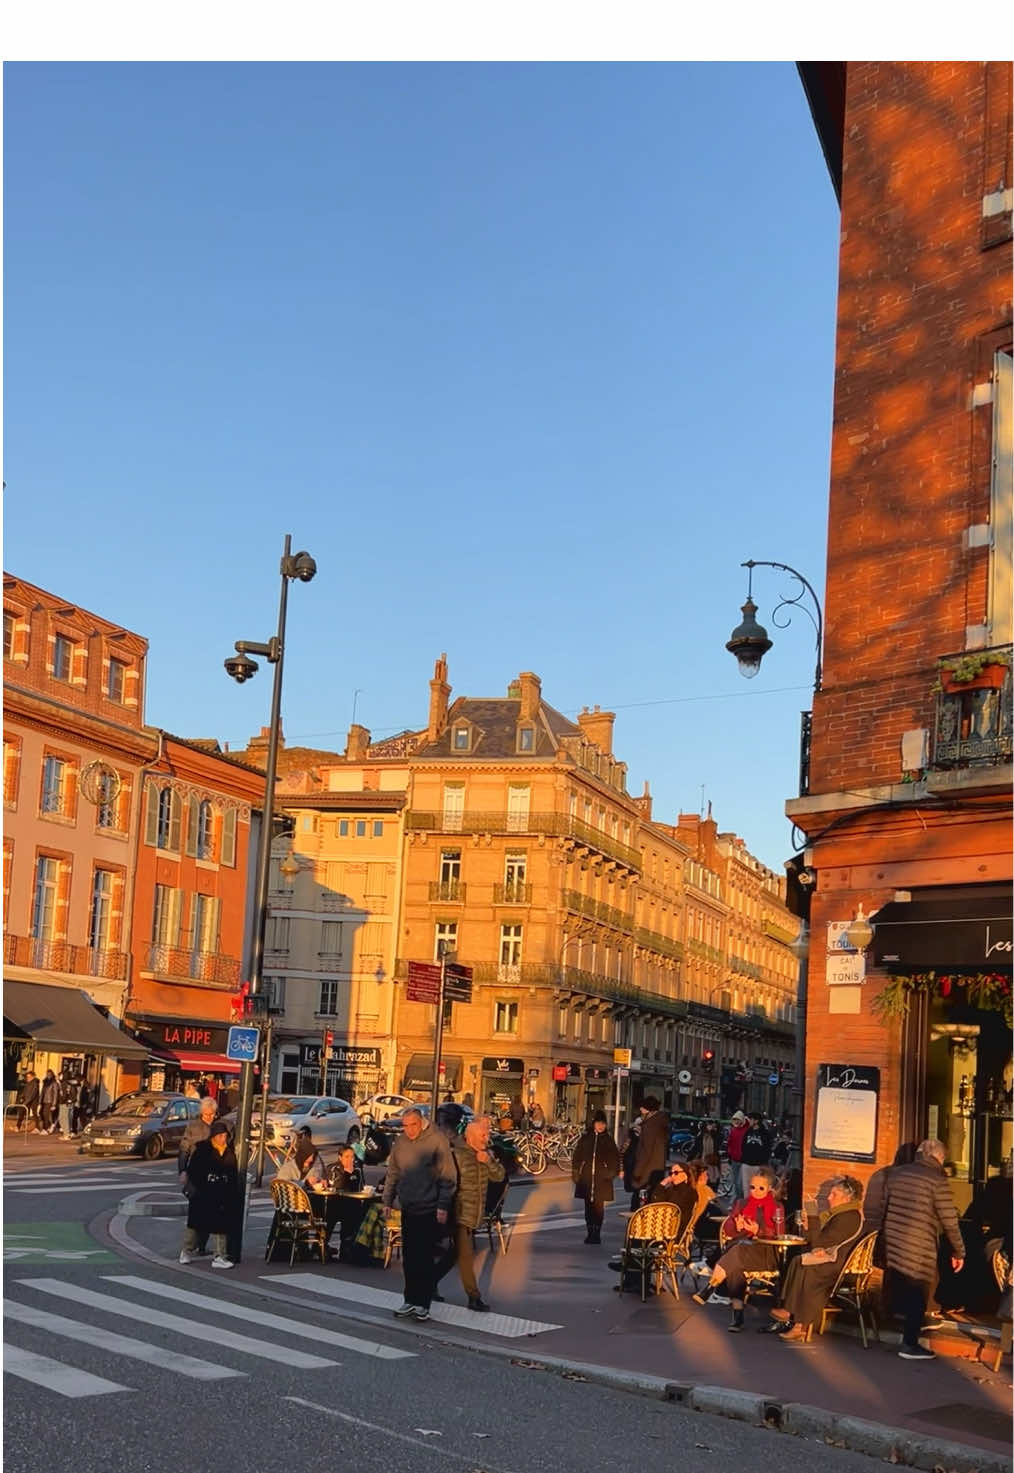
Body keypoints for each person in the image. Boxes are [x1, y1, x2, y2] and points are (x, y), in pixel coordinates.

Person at [865, 1137, 965, 1361]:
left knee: (905, 1287)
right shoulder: (937, 1180)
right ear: (938, 1157)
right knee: (919, 1293)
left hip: (895, 1241)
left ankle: (902, 1326)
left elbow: (884, 1208)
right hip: (920, 1245)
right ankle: (909, 1344)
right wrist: (959, 1251)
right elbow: (949, 1220)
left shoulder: (896, 1174)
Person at [759, 1176, 864, 1343]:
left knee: (806, 1268)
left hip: (838, 1265)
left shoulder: (848, 1216)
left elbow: (820, 1242)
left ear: (847, 1198)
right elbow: (818, 1242)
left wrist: (814, 1218)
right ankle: (789, 1311)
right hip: (831, 1259)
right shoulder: (839, 1214)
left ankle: (799, 1324)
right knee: (798, 1261)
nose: (829, 1198)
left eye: (834, 1194)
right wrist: (810, 1229)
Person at [381, 1105, 457, 1321]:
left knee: (424, 1257)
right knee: (409, 1257)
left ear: (421, 1122)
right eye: (405, 1126)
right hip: (408, 1206)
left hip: (429, 1207)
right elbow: (393, 1172)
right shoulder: (401, 1142)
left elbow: (447, 1175)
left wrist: (443, 1205)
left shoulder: (437, 1140)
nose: (409, 1130)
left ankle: (423, 1303)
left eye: (412, 1125)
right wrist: (387, 1199)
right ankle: (410, 1299)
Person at [692, 1166, 783, 1331]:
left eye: (761, 1188)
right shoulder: (742, 1203)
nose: (755, 1191)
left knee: (735, 1254)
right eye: (752, 1187)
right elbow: (728, 1230)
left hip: (765, 1252)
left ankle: (711, 1287)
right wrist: (737, 1225)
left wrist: (759, 1231)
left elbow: (779, 1234)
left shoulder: (776, 1207)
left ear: (769, 1189)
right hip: (741, 1248)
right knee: (735, 1261)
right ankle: (737, 1315)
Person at [444, 1117, 506, 1311]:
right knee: (466, 1255)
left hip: (475, 1214)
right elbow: (448, 1183)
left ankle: (428, 1283)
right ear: (470, 1136)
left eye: (487, 1134)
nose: (486, 1138)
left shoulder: (484, 1154)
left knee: (453, 1255)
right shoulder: (458, 1155)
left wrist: (488, 1161)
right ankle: (473, 1296)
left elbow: (499, 1176)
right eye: (482, 1134)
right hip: (460, 1213)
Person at [179, 1120, 240, 1269]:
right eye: (220, 1136)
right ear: (213, 1136)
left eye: (224, 1136)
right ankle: (186, 1251)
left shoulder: (228, 1152)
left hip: (221, 1194)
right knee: (196, 1226)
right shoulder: (202, 1150)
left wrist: (231, 1193)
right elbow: (194, 1171)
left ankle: (219, 1255)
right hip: (203, 1193)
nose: (222, 1139)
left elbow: (232, 1173)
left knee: (221, 1226)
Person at [178, 1095, 219, 1259]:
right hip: (197, 1173)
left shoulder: (218, 1126)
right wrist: (183, 1170)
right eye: (206, 1115)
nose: (209, 1118)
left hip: (214, 1173)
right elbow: (184, 1149)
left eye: (212, 1114)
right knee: (197, 1211)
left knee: (211, 1211)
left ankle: (201, 1245)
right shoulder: (193, 1127)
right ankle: (189, 1247)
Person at [572, 1110, 621, 1244]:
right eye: (598, 1123)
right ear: (593, 1124)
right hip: (587, 1178)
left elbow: (615, 1159)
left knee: (599, 1207)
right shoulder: (586, 1138)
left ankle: (597, 1233)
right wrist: (576, 1171)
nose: (601, 1126)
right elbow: (577, 1156)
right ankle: (589, 1232)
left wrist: (611, 1172)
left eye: (603, 1124)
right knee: (588, 1207)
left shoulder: (608, 1140)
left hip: (602, 1179)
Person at [630, 1095, 669, 1209]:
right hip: (657, 1169)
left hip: (646, 1171)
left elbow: (645, 1152)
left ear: (648, 1109)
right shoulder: (660, 1123)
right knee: (652, 1199)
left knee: (639, 1202)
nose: (640, 1110)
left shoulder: (649, 1127)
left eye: (642, 1108)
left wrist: (637, 1172)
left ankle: (637, 1224)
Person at [739, 1113, 773, 1196]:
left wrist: (763, 1162)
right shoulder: (748, 1132)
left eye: (751, 1119)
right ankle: (747, 1205)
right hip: (747, 1164)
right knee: (746, 1188)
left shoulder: (765, 1133)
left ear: (756, 1121)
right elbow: (743, 1145)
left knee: (758, 1187)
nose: (749, 1121)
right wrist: (743, 1158)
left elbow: (768, 1148)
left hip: (759, 1165)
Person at [726, 1110, 748, 1186]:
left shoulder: (747, 1130)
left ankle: (739, 1197)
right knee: (735, 1181)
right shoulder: (733, 1130)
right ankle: (737, 1197)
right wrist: (730, 1152)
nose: (736, 1121)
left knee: (740, 1182)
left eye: (738, 1119)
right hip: (734, 1159)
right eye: (735, 1120)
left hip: (743, 1159)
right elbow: (730, 1142)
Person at [40, 1069, 59, 1133]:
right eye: (47, 1074)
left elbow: (56, 1094)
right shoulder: (45, 1082)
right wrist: (40, 1101)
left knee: (46, 1115)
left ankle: (46, 1128)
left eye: (49, 1074)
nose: (48, 1075)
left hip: (50, 1101)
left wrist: (54, 1104)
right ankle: (49, 1127)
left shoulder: (54, 1083)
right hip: (44, 1101)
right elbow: (42, 1092)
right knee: (42, 1114)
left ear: (52, 1075)